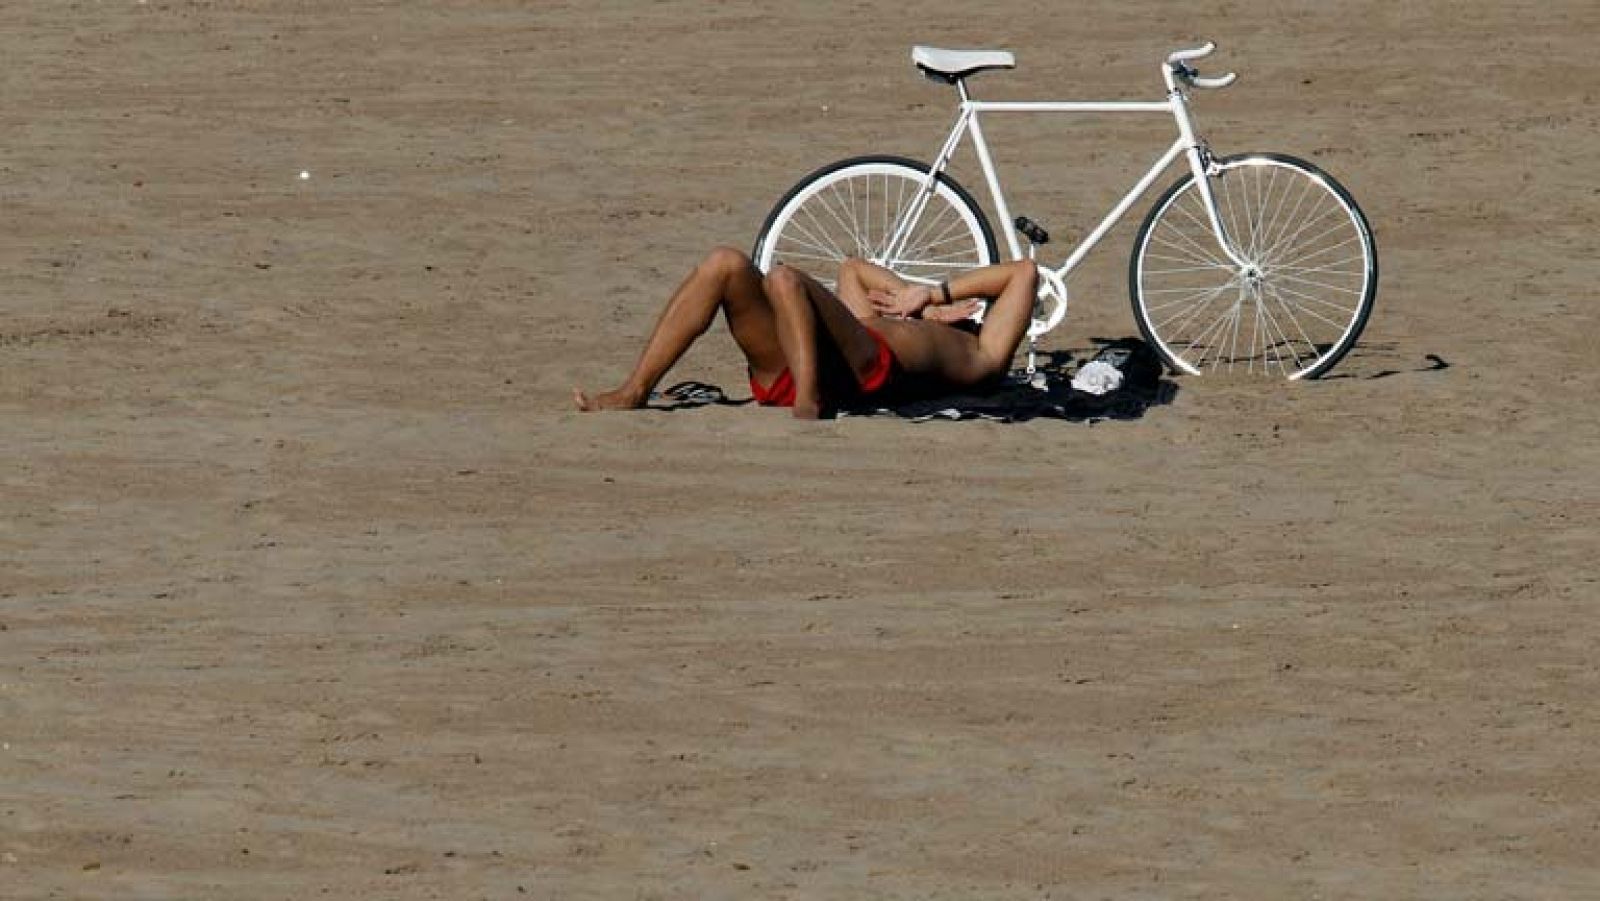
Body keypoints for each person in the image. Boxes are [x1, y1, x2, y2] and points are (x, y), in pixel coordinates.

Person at [574, 246, 1037, 419]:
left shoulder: (984, 354)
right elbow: (852, 270)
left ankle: (809, 402)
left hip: (866, 371)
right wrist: (916, 302)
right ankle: (634, 390)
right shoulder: (919, 319)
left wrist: (935, 296)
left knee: (783, 280)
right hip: (811, 360)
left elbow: (1023, 273)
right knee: (724, 264)